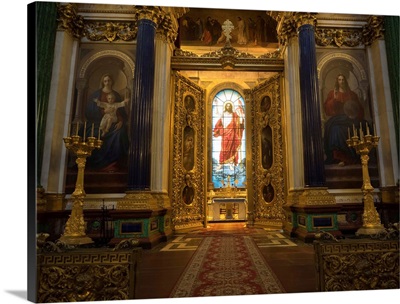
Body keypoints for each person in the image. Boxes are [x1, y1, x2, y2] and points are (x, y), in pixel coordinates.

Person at [84, 73, 129, 171]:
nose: (107, 83)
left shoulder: (116, 95)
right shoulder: (96, 94)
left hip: (114, 122)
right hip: (97, 123)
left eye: (109, 80)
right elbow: (89, 111)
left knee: (120, 133)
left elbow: (121, 112)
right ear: (102, 82)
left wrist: (121, 121)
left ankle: (114, 163)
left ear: (112, 82)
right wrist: (103, 112)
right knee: (94, 133)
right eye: (105, 81)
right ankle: (95, 164)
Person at [323, 73, 365, 166]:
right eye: (339, 80)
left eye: (343, 79)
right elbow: (327, 109)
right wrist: (334, 99)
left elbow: (358, 109)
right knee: (335, 129)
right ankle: (340, 158)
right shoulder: (332, 93)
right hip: (337, 119)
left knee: (355, 127)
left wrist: (353, 115)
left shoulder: (352, 94)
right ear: (337, 82)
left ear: (345, 81)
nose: (341, 81)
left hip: (350, 120)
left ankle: (351, 157)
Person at [213, 101, 244, 169]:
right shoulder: (223, 114)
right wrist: (217, 105)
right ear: (225, 107)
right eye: (227, 106)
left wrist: (240, 110)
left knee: (231, 148)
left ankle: (230, 164)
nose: (228, 107)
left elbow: (239, 120)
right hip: (225, 133)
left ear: (231, 107)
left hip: (232, 133)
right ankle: (221, 164)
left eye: (229, 106)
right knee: (223, 149)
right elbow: (219, 121)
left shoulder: (234, 114)